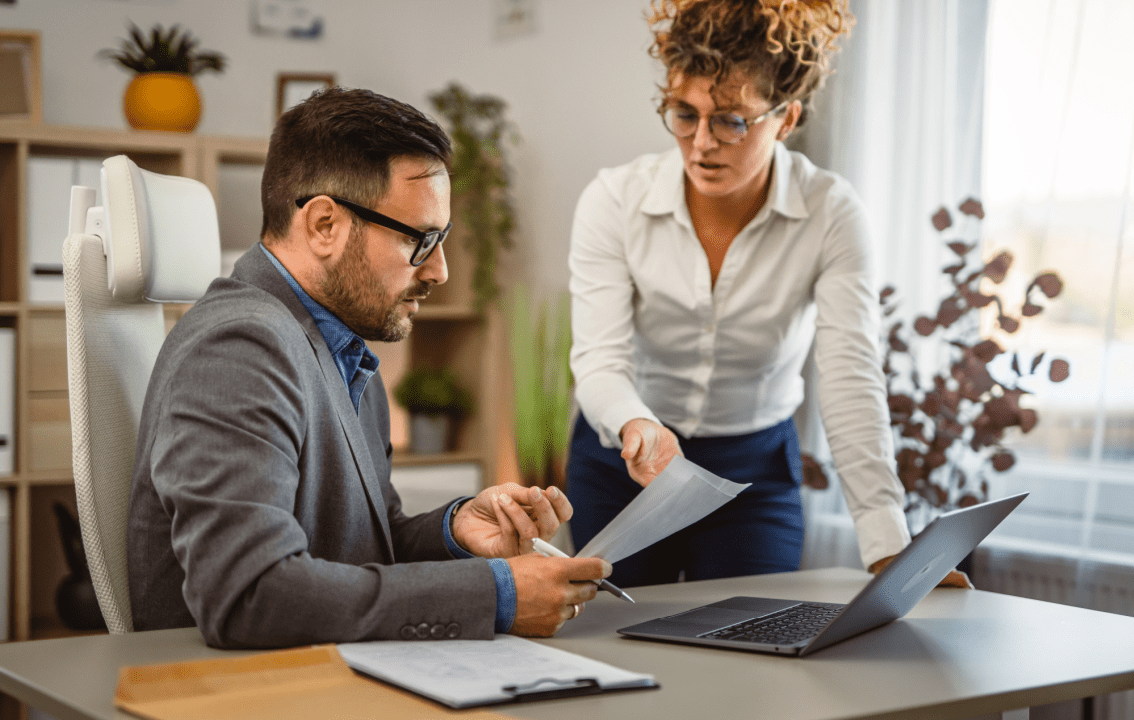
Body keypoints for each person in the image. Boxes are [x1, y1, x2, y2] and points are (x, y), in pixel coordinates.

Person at [128, 87, 609, 649]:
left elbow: (361, 551)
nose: (440, 271)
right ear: (325, 225)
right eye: (420, 240)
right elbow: (248, 595)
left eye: (443, 239)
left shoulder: (342, 351)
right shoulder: (239, 349)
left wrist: (455, 531)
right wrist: (495, 594)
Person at [567, 0, 967, 588]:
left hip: (754, 476)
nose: (702, 142)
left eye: (732, 119)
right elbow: (599, 361)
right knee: (621, 653)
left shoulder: (831, 213)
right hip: (626, 465)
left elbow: (850, 375)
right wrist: (636, 424)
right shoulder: (613, 201)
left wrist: (889, 547)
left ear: (786, 118)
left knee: (750, 647)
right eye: (684, 113)